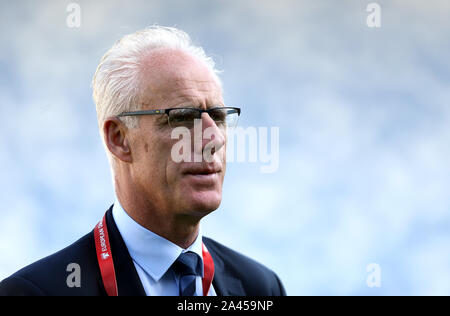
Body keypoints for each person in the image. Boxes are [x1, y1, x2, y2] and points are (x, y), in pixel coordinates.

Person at [0, 26, 286, 296]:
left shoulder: (260, 286)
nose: (214, 139)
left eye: (220, 117)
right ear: (119, 138)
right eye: (183, 117)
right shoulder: (36, 292)